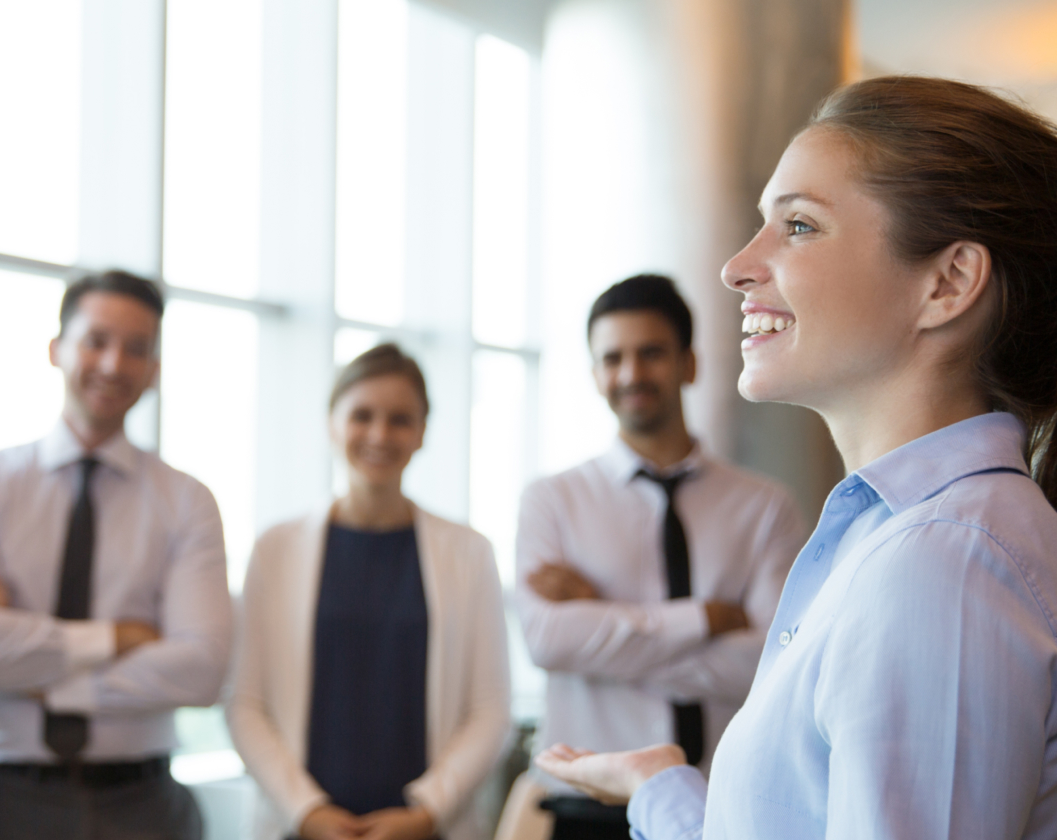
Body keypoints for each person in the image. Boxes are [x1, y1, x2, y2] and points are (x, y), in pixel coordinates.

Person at [537, 76, 1057, 840]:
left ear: (946, 283)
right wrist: (661, 790)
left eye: (801, 226)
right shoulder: (894, 538)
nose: (737, 266)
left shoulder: (944, 562)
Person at [0, 270, 233, 840]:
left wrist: (40, 669)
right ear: (56, 349)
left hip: (147, 801)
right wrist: (120, 637)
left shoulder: (187, 501)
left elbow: (201, 671)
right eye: (97, 340)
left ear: (155, 369)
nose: (115, 365)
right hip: (13, 799)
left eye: (136, 349)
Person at [514, 275, 805, 839]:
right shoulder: (552, 500)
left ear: (689, 364)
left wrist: (603, 618)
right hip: (584, 808)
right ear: (595, 373)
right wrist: (701, 620)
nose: (630, 375)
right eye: (612, 358)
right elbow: (547, 641)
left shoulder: (766, 507)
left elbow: (769, 668)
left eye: (650, 354)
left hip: (719, 804)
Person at [227, 343, 512, 840]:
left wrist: (426, 812)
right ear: (331, 423)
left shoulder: (470, 553)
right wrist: (308, 812)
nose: (380, 434)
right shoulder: (275, 549)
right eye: (362, 415)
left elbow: (489, 710)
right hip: (303, 829)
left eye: (400, 419)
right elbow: (245, 704)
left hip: (426, 830)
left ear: (422, 431)